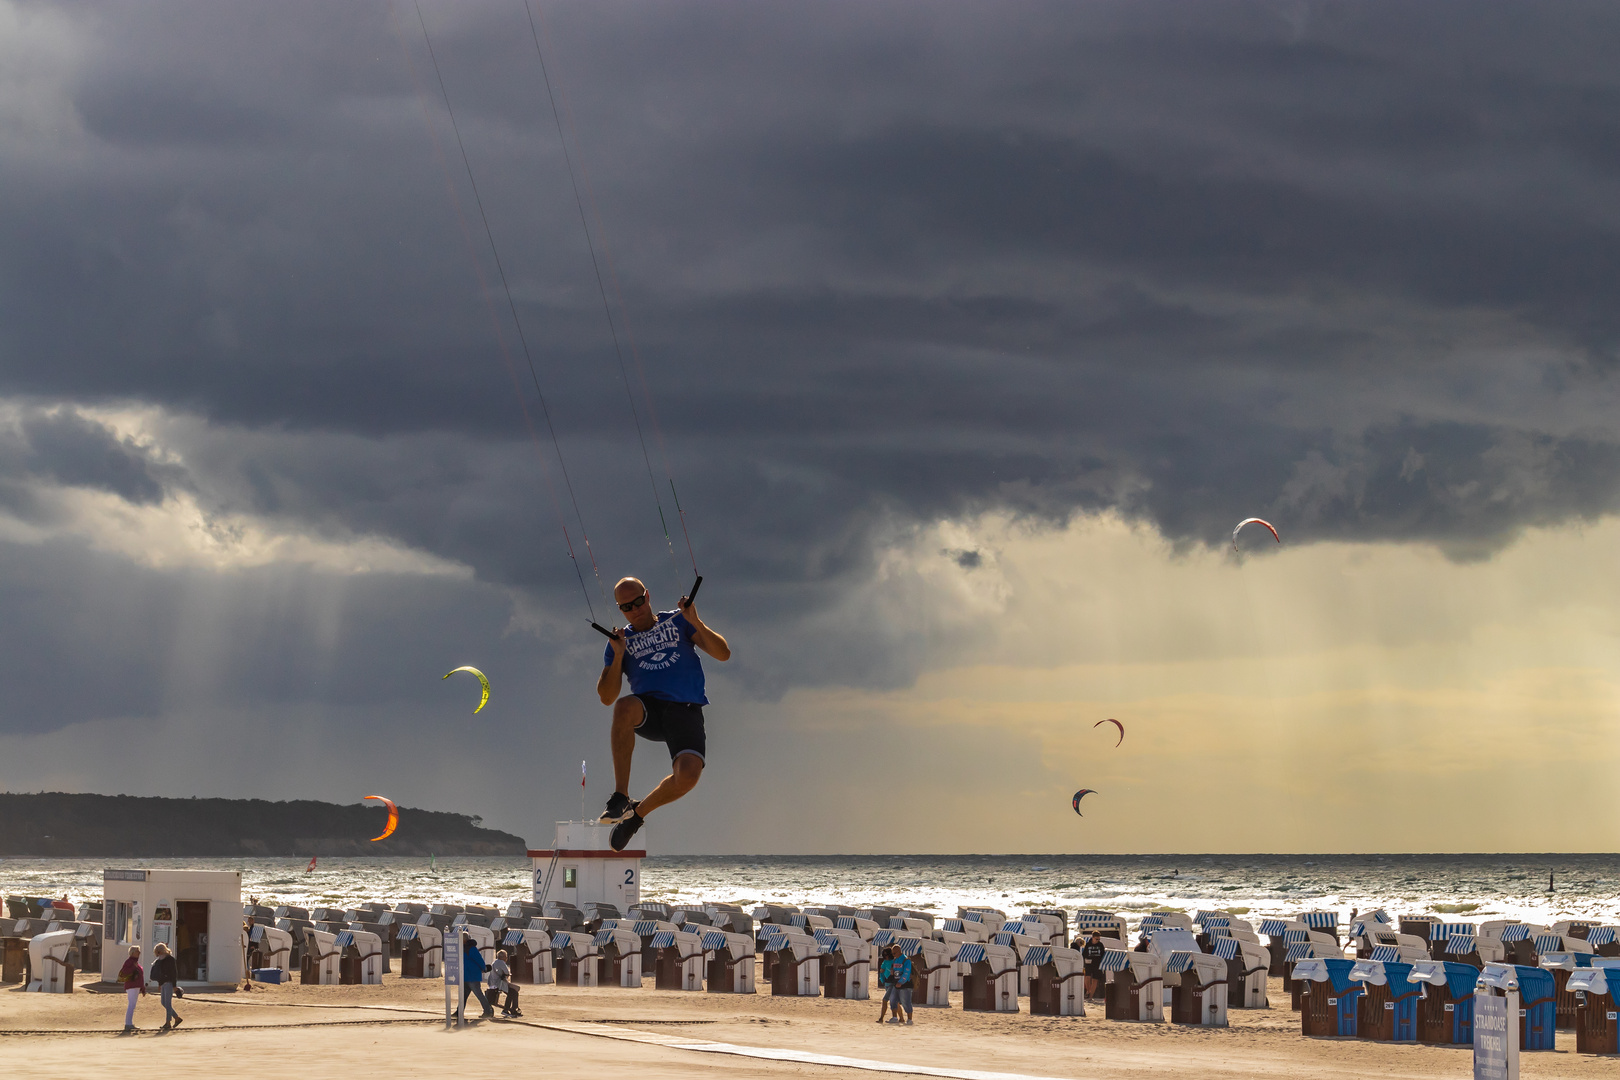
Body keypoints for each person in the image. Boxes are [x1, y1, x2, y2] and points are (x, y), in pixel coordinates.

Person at [597, 576, 731, 851]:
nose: (634, 610)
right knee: (623, 706)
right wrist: (619, 654)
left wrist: (695, 620)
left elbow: (723, 654)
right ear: (620, 610)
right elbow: (607, 697)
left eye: (637, 602)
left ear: (647, 596)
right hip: (650, 710)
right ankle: (621, 795)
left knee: (688, 777)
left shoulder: (678, 620)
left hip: (686, 710)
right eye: (626, 607)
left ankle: (636, 815)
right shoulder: (620, 641)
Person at [150, 942, 183, 1031]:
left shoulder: (170, 959)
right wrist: (160, 984)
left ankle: (168, 1022)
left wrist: (174, 986)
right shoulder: (160, 960)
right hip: (164, 983)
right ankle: (176, 1018)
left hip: (169, 983)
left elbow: (173, 973)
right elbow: (160, 974)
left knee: (167, 1003)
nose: (157, 955)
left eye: (157, 952)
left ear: (161, 951)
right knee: (163, 1002)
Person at [460, 936, 494, 1020]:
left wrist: (484, 968)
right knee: (463, 996)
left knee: (478, 994)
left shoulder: (471, 949)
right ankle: (459, 1012)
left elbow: (479, 960)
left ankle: (488, 1011)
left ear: (464, 939)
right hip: (466, 976)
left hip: (472, 976)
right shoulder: (463, 948)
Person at [117, 945, 146, 1033]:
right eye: (138, 951)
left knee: (132, 1005)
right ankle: (128, 1024)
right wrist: (133, 967)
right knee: (131, 1005)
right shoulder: (129, 962)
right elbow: (124, 971)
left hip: (136, 986)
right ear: (133, 952)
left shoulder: (135, 963)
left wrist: (142, 988)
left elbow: (141, 976)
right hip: (131, 986)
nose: (139, 953)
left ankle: (129, 1023)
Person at [490, 949, 521, 1018]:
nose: (506, 958)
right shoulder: (501, 962)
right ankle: (507, 1009)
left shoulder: (495, 962)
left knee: (514, 992)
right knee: (513, 992)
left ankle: (513, 1009)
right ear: (503, 957)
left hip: (494, 983)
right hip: (499, 984)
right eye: (506, 957)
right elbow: (507, 973)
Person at [889, 945, 914, 1025]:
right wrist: (892, 971)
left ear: (899, 951)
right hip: (895, 984)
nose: (893, 955)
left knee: (905, 1002)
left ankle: (909, 1019)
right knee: (893, 1000)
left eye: (894, 953)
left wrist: (901, 982)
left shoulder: (906, 960)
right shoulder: (895, 960)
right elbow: (894, 969)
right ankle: (894, 1017)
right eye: (892, 953)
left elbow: (906, 973)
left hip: (905, 985)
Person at [1082, 931, 1107, 1000]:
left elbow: (1103, 955)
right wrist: (1086, 959)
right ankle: (1089, 990)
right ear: (1092, 938)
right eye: (1096, 939)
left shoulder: (1100, 945)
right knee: (1087, 978)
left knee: (1095, 980)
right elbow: (1084, 954)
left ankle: (1090, 996)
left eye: (1099, 939)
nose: (1097, 941)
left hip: (1097, 964)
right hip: (1089, 964)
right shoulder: (1088, 944)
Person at [875, 945, 896, 1024]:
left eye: (887, 955)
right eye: (884, 955)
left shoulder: (894, 961)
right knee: (895, 1001)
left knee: (885, 1000)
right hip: (887, 982)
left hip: (892, 983)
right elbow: (882, 971)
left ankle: (881, 1018)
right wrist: (882, 974)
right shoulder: (885, 962)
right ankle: (901, 1018)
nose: (886, 957)